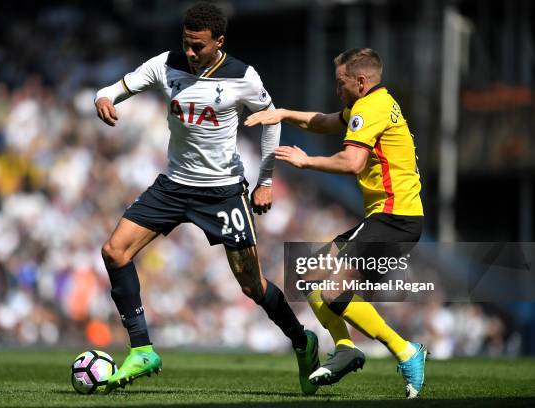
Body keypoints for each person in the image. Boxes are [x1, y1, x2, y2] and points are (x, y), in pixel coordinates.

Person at [94, 2, 319, 395]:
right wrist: (105, 98)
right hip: (174, 185)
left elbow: (271, 123)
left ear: (219, 41)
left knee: (252, 286)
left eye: (199, 46)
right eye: (187, 43)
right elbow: (116, 87)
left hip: (223, 192)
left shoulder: (243, 76)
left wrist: (265, 180)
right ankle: (142, 348)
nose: (192, 52)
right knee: (115, 251)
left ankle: (302, 341)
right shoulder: (166, 64)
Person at [245, 47, 427, 398]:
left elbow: (352, 162)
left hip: (395, 217)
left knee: (330, 288)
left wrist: (306, 161)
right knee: (309, 277)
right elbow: (325, 121)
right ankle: (345, 347)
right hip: (393, 217)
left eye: (340, 83)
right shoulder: (373, 102)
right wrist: (281, 113)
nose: (336, 90)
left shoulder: (370, 108)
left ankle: (405, 351)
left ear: (360, 82)